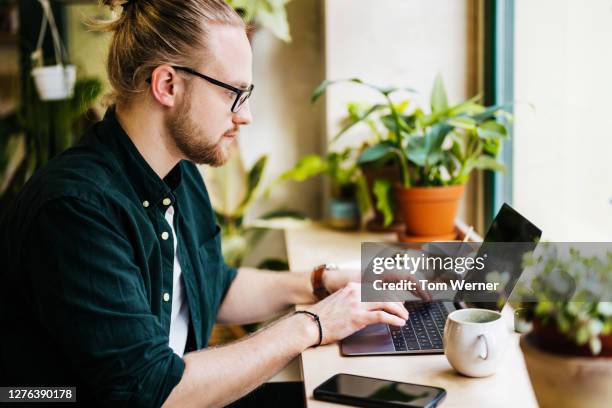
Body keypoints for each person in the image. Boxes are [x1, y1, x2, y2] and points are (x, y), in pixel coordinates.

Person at [0, 1, 409, 406]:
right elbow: (152, 391)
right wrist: (314, 324)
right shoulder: (75, 210)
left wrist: (319, 281)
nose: (245, 115)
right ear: (167, 85)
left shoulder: (178, 173)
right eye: (233, 93)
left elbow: (212, 285)